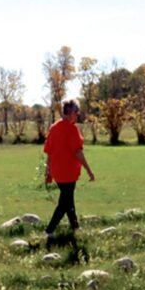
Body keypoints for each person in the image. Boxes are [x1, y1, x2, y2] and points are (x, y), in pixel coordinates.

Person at [43, 99, 95, 243]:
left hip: (57, 172)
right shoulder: (72, 129)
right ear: (70, 112)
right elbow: (78, 152)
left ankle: (75, 228)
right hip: (68, 173)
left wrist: (48, 173)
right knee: (64, 203)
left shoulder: (54, 128)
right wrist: (89, 171)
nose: (77, 116)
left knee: (69, 201)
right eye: (76, 113)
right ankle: (49, 231)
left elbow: (49, 152)